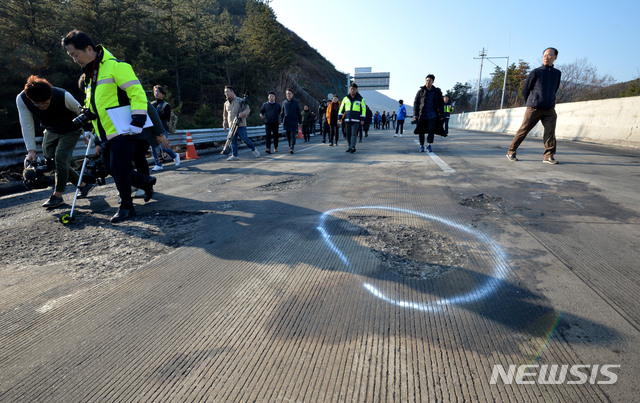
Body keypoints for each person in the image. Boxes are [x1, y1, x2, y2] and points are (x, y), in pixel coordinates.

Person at [63, 30, 155, 223]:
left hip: (124, 129)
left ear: (89, 49)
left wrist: (137, 121)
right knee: (111, 169)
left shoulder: (117, 66)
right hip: (104, 132)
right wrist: (88, 119)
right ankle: (146, 182)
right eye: (71, 56)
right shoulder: (89, 75)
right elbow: (94, 103)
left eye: (75, 55)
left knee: (118, 168)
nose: (74, 60)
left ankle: (126, 207)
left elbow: (137, 94)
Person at [16, 75, 94, 208]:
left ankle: (57, 196)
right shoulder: (22, 99)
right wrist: (31, 150)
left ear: (50, 96)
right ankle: (83, 185)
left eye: (45, 103)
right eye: (37, 104)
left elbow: (83, 113)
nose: (41, 107)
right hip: (51, 129)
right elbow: (26, 124)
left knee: (60, 158)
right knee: (52, 160)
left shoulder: (63, 95)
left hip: (71, 129)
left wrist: (87, 133)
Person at [506, 47, 562, 164]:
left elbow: (555, 89)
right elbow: (525, 90)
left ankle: (548, 156)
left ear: (555, 57)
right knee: (524, 130)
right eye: (545, 55)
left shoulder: (557, 73)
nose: (546, 57)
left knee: (550, 132)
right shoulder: (536, 72)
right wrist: (532, 101)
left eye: (550, 55)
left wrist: (550, 99)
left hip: (549, 109)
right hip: (534, 108)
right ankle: (511, 151)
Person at [223, 85, 259, 161]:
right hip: (231, 125)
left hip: (241, 124)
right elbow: (225, 115)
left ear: (232, 92)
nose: (226, 93)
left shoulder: (240, 100)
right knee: (233, 140)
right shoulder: (226, 103)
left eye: (227, 92)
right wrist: (224, 124)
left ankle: (254, 149)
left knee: (245, 139)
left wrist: (243, 114)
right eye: (225, 92)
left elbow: (248, 110)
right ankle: (234, 155)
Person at [150, 85, 180, 171]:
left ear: (163, 94)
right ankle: (158, 164)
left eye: (158, 92)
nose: (156, 93)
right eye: (155, 91)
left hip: (162, 128)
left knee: (164, 146)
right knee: (153, 147)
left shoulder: (166, 105)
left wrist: (155, 115)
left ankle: (175, 155)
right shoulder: (152, 104)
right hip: (153, 129)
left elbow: (167, 116)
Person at [413, 74, 444, 153]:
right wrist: (415, 115)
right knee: (421, 131)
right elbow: (416, 103)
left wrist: (441, 114)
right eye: (426, 80)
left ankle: (429, 145)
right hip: (422, 115)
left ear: (433, 82)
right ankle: (421, 146)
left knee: (431, 130)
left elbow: (441, 104)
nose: (427, 82)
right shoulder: (420, 91)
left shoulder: (436, 92)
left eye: (429, 80)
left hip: (432, 115)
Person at [338, 82, 367, 153]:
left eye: (354, 89)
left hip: (356, 120)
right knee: (348, 134)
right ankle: (350, 146)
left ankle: (353, 147)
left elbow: (363, 109)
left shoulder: (360, 99)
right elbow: (341, 109)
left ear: (356, 90)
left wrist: (362, 119)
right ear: (349, 89)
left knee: (354, 134)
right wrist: (339, 118)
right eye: (351, 89)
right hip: (347, 119)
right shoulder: (345, 98)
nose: (352, 90)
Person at [280, 89, 302, 154]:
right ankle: (290, 146)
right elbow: (282, 112)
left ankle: (292, 147)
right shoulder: (284, 102)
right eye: (287, 94)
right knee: (288, 136)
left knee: (293, 135)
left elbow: (299, 113)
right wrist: (281, 120)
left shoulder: (296, 102)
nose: (288, 95)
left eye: (289, 93)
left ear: (292, 94)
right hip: (286, 122)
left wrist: (300, 122)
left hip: (294, 121)